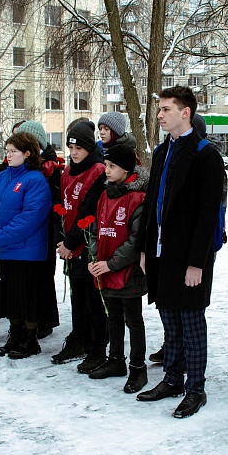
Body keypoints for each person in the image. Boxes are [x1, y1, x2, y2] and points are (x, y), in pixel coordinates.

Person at [135, 85, 225, 419]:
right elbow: (151, 204)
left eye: (166, 109)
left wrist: (196, 263)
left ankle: (195, 388)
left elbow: (207, 214)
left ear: (185, 112)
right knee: (169, 320)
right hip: (161, 253)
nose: (160, 115)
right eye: (159, 109)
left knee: (191, 322)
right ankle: (172, 378)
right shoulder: (161, 152)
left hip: (190, 257)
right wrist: (146, 249)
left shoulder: (205, 154)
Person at [0, 133, 52, 359]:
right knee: (11, 296)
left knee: (26, 296)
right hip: (3, 248)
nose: (8, 155)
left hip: (26, 250)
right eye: (7, 151)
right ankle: (15, 333)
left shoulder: (35, 180)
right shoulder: (2, 177)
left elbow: (30, 219)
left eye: (13, 151)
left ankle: (30, 338)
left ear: (27, 153)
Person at [87, 144, 149, 393]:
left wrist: (111, 263)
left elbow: (136, 240)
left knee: (133, 320)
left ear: (126, 169)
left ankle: (137, 368)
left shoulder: (138, 198)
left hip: (127, 271)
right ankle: (116, 360)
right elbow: (95, 230)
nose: (107, 170)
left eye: (112, 166)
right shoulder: (105, 194)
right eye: (106, 165)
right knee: (113, 318)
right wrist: (94, 258)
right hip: (104, 268)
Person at [52, 121, 109, 372]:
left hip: (88, 245)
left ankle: (98, 347)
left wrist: (71, 240)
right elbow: (61, 206)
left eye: (79, 147)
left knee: (93, 300)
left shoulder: (97, 171)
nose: (74, 152)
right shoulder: (68, 171)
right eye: (70, 146)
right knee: (77, 297)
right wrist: (61, 238)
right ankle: (80, 338)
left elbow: (89, 211)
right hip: (70, 244)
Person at [14, 120, 62, 339]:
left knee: (43, 275)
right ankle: (32, 317)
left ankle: (44, 319)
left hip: (45, 227)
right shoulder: (29, 167)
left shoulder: (51, 168)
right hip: (28, 229)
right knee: (30, 279)